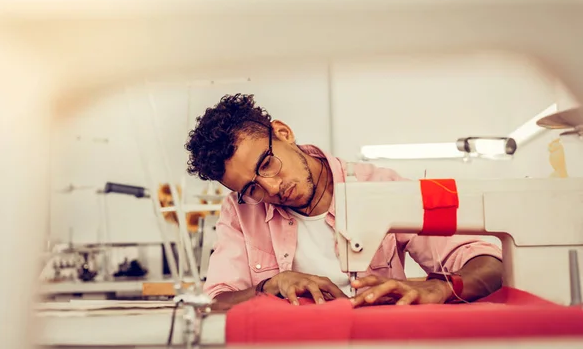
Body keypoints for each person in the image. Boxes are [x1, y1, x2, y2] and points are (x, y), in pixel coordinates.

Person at [184, 93, 503, 307]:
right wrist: (269, 284)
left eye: (267, 163)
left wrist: (444, 287)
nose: (272, 188)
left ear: (283, 133)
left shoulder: (380, 185)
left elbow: (488, 262)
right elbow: (218, 301)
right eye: (252, 187)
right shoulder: (240, 211)